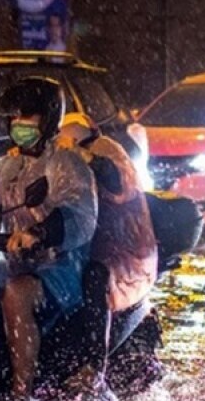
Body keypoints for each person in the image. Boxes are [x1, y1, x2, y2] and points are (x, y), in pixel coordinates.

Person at [0, 77, 97, 401]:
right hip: (8, 263)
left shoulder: (65, 163)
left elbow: (78, 214)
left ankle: (22, 394)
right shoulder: (2, 167)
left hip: (56, 267)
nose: (19, 125)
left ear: (47, 119)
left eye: (28, 117)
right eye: (15, 118)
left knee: (16, 293)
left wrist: (39, 233)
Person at [55, 112, 158, 313]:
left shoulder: (104, 148)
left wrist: (82, 154)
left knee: (95, 277)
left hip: (120, 254)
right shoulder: (53, 159)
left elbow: (119, 184)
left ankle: (96, 343)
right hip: (70, 245)